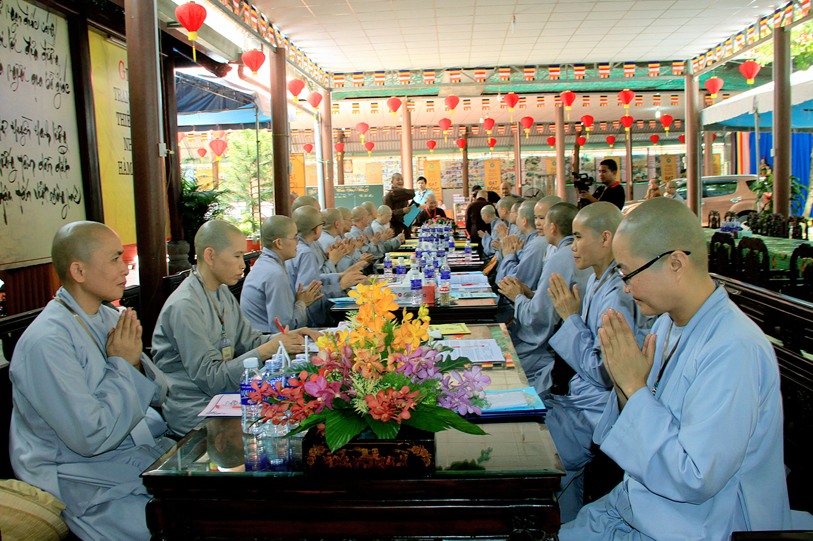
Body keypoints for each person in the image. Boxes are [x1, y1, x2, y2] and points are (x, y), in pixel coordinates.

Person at [560, 197, 792, 540]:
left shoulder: (733, 347)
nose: (625, 287)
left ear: (675, 263)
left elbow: (695, 477)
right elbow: (644, 416)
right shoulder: (668, 323)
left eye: (629, 273)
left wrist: (634, 387)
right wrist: (626, 385)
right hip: (643, 505)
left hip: (698, 526)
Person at [10, 221, 173, 541]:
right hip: (84, 479)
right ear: (78, 271)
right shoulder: (47, 341)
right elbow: (90, 437)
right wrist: (124, 365)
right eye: (114, 259)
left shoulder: (110, 316)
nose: (125, 267)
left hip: (136, 454)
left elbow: (160, 394)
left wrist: (134, 364)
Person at [152, 220, 318, 435]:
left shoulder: (221, 292)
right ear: (210, 256)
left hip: (227, 397)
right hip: (197, 411)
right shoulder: (185, 306)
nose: (243, 265)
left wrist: (288, 338)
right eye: (237, 256)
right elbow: (212, 378)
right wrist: (268, 349)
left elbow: (249, 341)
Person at [545, 202, 647, 522]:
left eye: (578, 237)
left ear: (605, 238)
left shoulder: (619, 293)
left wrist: (570, 319)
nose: (572, 246)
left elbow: (605, 373)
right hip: (578, 400)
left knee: (533, 453)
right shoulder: (596, 281)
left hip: (596, 412)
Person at [498, 203, 592, 395]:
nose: (537, 224)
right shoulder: (560, 251)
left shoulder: (562, 256)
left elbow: (537, 317)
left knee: (500, 365)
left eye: (541, 219)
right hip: (570, 345)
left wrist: (518, 297)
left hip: (553, 350)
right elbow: (552, 300)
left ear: (552, 227)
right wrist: (531, 294)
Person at [241, 215, 324, 332]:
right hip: (266, 338)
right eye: (294, 238)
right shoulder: (274, 274)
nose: (297, 243)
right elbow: (283, 327)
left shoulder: (267, 262)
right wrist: (301, 304)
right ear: (279, 243)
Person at [287, 207, 366, 326]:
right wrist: (340, 286)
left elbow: (315, 278)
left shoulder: (306, 246)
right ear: (316, 229)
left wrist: (339, 276)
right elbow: (309, 292)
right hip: (307, 318)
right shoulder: (306, 252)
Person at [496, 197, 552, 290]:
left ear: (524, 221)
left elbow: (516, 280)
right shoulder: (534, 240)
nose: (537, 222)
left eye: (541, 218)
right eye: (536, 218)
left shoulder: (537, 244)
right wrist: (519, 253)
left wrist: (508, 255)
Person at [383, 173, 416, 238]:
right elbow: (387, 213)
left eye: (402, 179)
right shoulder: (389, 196)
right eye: (398, 180)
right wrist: (402, 211)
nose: (400, 181)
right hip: (395, 228)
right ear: (392, 182)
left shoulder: (403, 195)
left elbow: (412, 193)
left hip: (406, 227)